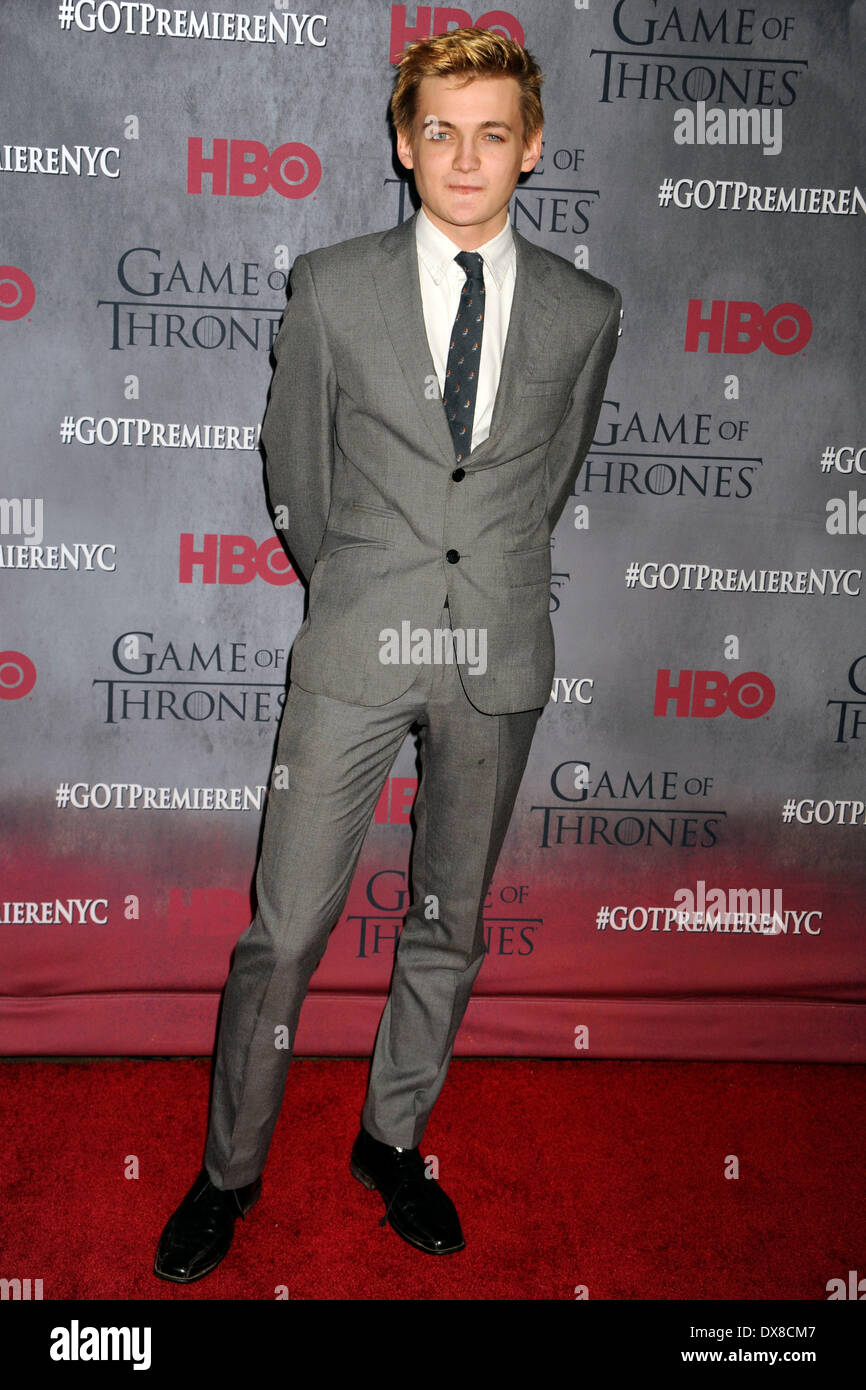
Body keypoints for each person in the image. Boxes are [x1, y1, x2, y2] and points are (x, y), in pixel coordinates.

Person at [154, 24, 621, 1283]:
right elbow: (295, 476)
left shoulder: (586, 311)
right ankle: (228, 1171)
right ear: (399, 144)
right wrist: (356, 584)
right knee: (285, 930)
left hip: (498, 655)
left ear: (529, 148)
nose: (462, 158)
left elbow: (546, 481)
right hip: (356, 639)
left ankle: (392, 1139)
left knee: (448, 921)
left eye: (489, 134)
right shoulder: (331, 285)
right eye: (436, 131)